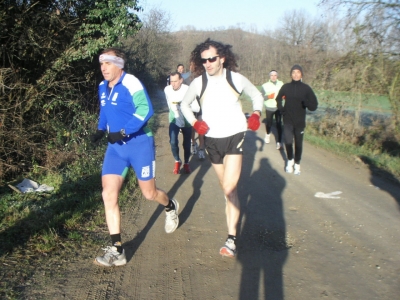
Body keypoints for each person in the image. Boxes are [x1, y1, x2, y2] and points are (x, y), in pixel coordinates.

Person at [90, 47, 179, 267]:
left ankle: (170, 207)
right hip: (116, 150)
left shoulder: (131, 83)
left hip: (139, 145)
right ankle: (117, 249)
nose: (104, 68)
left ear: (119, 64)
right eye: (101, 63)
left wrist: (122, 131)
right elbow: (105, 111)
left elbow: (145, 110)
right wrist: (101, 129)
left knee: (149, 194)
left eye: (108, 63)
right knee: (108, 194)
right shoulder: (103, 86)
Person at [180, 38, 263, 258]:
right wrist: (195, 124)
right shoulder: (199, 83)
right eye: (204, 60)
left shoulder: (235, 79)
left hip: (235, 134)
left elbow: (257, 95)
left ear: (222, 58)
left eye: (212, 59)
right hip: (212, 141)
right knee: (227, 189)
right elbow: (184, 105)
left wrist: (256, 113)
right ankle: (232, 217)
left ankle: (231, 238)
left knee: (229, 187)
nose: (207, 63)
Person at [275, 64, 318, 175]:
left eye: (298, 72)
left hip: (299, 121)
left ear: (301, 74)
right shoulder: (286, 87)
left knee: (298, 144)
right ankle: (290, 161)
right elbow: (278, 98)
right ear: (291, 74)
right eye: (293, 72)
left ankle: (297, 164)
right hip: (288, 119)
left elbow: (314, 105)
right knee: (288, 142)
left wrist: (306, 102)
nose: (296, 74)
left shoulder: (306, 88)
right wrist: (281, 109)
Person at [164, 71, 192, 174]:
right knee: (173, 141)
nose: (173, 84)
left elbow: (193, 104)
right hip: (174, 119)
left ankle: (186, 163)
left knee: (187, 144)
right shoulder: (167, 89)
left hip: (186, 119)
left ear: (181, 80)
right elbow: (169, 102)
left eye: (175, 81)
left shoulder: (187, 89)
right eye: (171, 81)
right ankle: (177, 161)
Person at [261, 70, 283, 149]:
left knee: (279, 124)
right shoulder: (265, 85)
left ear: (277, 76)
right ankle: (267, 135)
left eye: (275, 75)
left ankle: (279, 142)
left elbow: (284, 93)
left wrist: (284, 96)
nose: (273, 77)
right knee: (269, 123)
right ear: (269, 76)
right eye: (272, 75)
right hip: (269, 107)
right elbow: (261, 97)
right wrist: (268, 97)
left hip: (278, 107)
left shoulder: (281, 84)